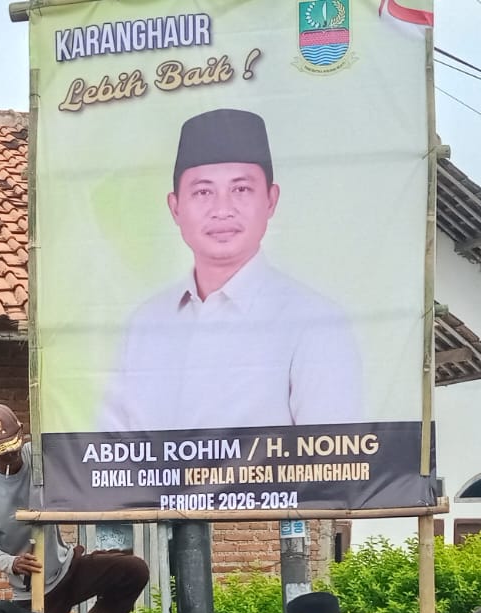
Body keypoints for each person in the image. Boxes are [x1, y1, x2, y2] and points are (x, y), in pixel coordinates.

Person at [97, 107, 362, 433]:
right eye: (203, 192)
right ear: (175, 207)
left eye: (241, 189)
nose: (222, 210)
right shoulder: (144, 324)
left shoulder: (317, 324)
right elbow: (110, 454)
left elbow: (333, 458)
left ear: (271, 200)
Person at [0, 403, 151, 613]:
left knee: (134, 570)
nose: (10, 455)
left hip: (67, 569)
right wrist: (12, 562)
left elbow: (69, 444)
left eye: (13, 447)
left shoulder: (37, 454)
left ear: (21, 434)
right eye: (0, 452)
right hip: (32, 590)